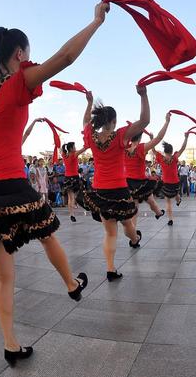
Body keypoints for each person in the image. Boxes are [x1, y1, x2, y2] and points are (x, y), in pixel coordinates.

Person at [0, 3, 107, 364]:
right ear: (20, 53)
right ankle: (71, 284)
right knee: (47, 234)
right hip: (11, 184)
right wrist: (95, 21)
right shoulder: (20, 80)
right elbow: (65, 57)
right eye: (27, 54)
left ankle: (10, 344)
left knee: (5, 277)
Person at [81, 87, 147, 281]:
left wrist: (89, 103)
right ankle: (135, 239)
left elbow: (85, 121)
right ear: (113, 121)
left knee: (110, 233)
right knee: (127, 222)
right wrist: (143, 95)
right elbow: (144, 121)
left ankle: (111, 269)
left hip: (100, 190)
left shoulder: (91, 136)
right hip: (118, 189)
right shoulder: (120, 135)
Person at [125, 112, 170, 231]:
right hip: (140, 182)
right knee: (150, 200)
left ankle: (133, 235)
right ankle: (158, 213)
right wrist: (167, 122)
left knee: (135, 208)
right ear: (140, 137)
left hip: (128, 183)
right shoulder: (141, 148)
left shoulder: (124, 148)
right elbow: (159, 138)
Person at [153, 134, 189, 225]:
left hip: (166, 183)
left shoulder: (161, 158)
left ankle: (170, 220)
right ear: (172, 151)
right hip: (176, 182)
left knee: (168, 201)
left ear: (164, 151)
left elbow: (153, 150)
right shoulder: (175, 157)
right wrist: (186, 137)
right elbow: (183, 148)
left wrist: (151, 138)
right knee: (176, 193)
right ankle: (178, 200)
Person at [61, 142, 88, 222]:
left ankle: (71, 214)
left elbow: (61, 150)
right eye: (74, 146)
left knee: (70, 197)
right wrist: (88, 143)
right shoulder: (73, 155)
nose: (75, 148)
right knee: (74, 197)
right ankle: (77, 205)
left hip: (67, 178)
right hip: (74, 178)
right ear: (71, 149)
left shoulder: (64, 155)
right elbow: (84, 149)